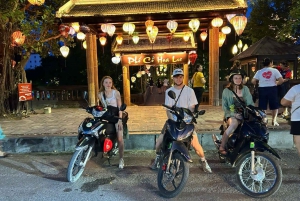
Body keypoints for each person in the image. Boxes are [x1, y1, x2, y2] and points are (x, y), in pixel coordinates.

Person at [150, 68, 212, 173]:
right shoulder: (169, 91)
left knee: (196, 144)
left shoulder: (190, 91)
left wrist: (187, 118)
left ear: (183, 77)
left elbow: (192, 107)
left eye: (180, 76)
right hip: (173, 120)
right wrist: (171, 120)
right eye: (176, 77)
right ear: (173, 78)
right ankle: (157, 157)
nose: (178, 79)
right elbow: (168, 109)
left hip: (186, 120)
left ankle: (203, 161)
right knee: (159, 142)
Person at [220, 70, 254, 155]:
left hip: (245, 113)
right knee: (233, 124)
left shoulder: (245, 89)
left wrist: (253, 111)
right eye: (236, 78)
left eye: (240, 78)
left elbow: (250, 102)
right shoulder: (226, 91)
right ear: (232, 79)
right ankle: (222, 146)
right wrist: (233, 114)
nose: (238, 79)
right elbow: (224, 107)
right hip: (231, 114)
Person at [98, 76, 125, 169]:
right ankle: (105, 150)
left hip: (116, 116)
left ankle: (121, 159)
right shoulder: (100, 94)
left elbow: (120, 108)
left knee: (120, 138)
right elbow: (103, 107)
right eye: (106, 82)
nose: (108, 84)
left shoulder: (116, 93)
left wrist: (120, 120)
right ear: (103, 83)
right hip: (107, 116)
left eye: (110, 82)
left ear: (112, 84)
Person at [251, 58, 284, 126]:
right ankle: (274, 120)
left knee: (263, 106)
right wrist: (275, 83)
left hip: (262, 89)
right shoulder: (275, 71)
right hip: (272, 88)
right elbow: (281, 80)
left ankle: (264, 120)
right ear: (270, 63)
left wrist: (260, 83)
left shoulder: (259, 71)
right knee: (274, 105)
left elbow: (253, 81)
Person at [281, 84, 300, 170]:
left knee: (299, 144)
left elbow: (283, 102)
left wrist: (292, 102)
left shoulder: (296, 88)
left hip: (298, 118)